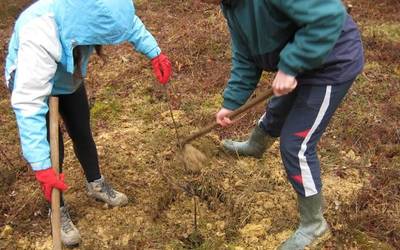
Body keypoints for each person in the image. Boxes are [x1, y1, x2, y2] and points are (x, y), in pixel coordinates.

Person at [4, 0, 171, 246]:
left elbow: (128, 23)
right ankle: (57, 208)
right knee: (53, 150)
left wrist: (154, 52)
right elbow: (28, 103)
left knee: (82, 131)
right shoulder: (39, 31)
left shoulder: (96, 8)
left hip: (69, 78)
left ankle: (96, 184)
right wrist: (41, 166)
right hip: (35, 81)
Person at [201, 0, 364, 249]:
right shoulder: (230, 6)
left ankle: (314, 225)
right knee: (276, 111)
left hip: (331, 64)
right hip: (299, 68)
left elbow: (329, 16)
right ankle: (256, 146)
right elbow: (245, 56)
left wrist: (289, 66)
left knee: (296, 144)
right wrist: (231, 102)